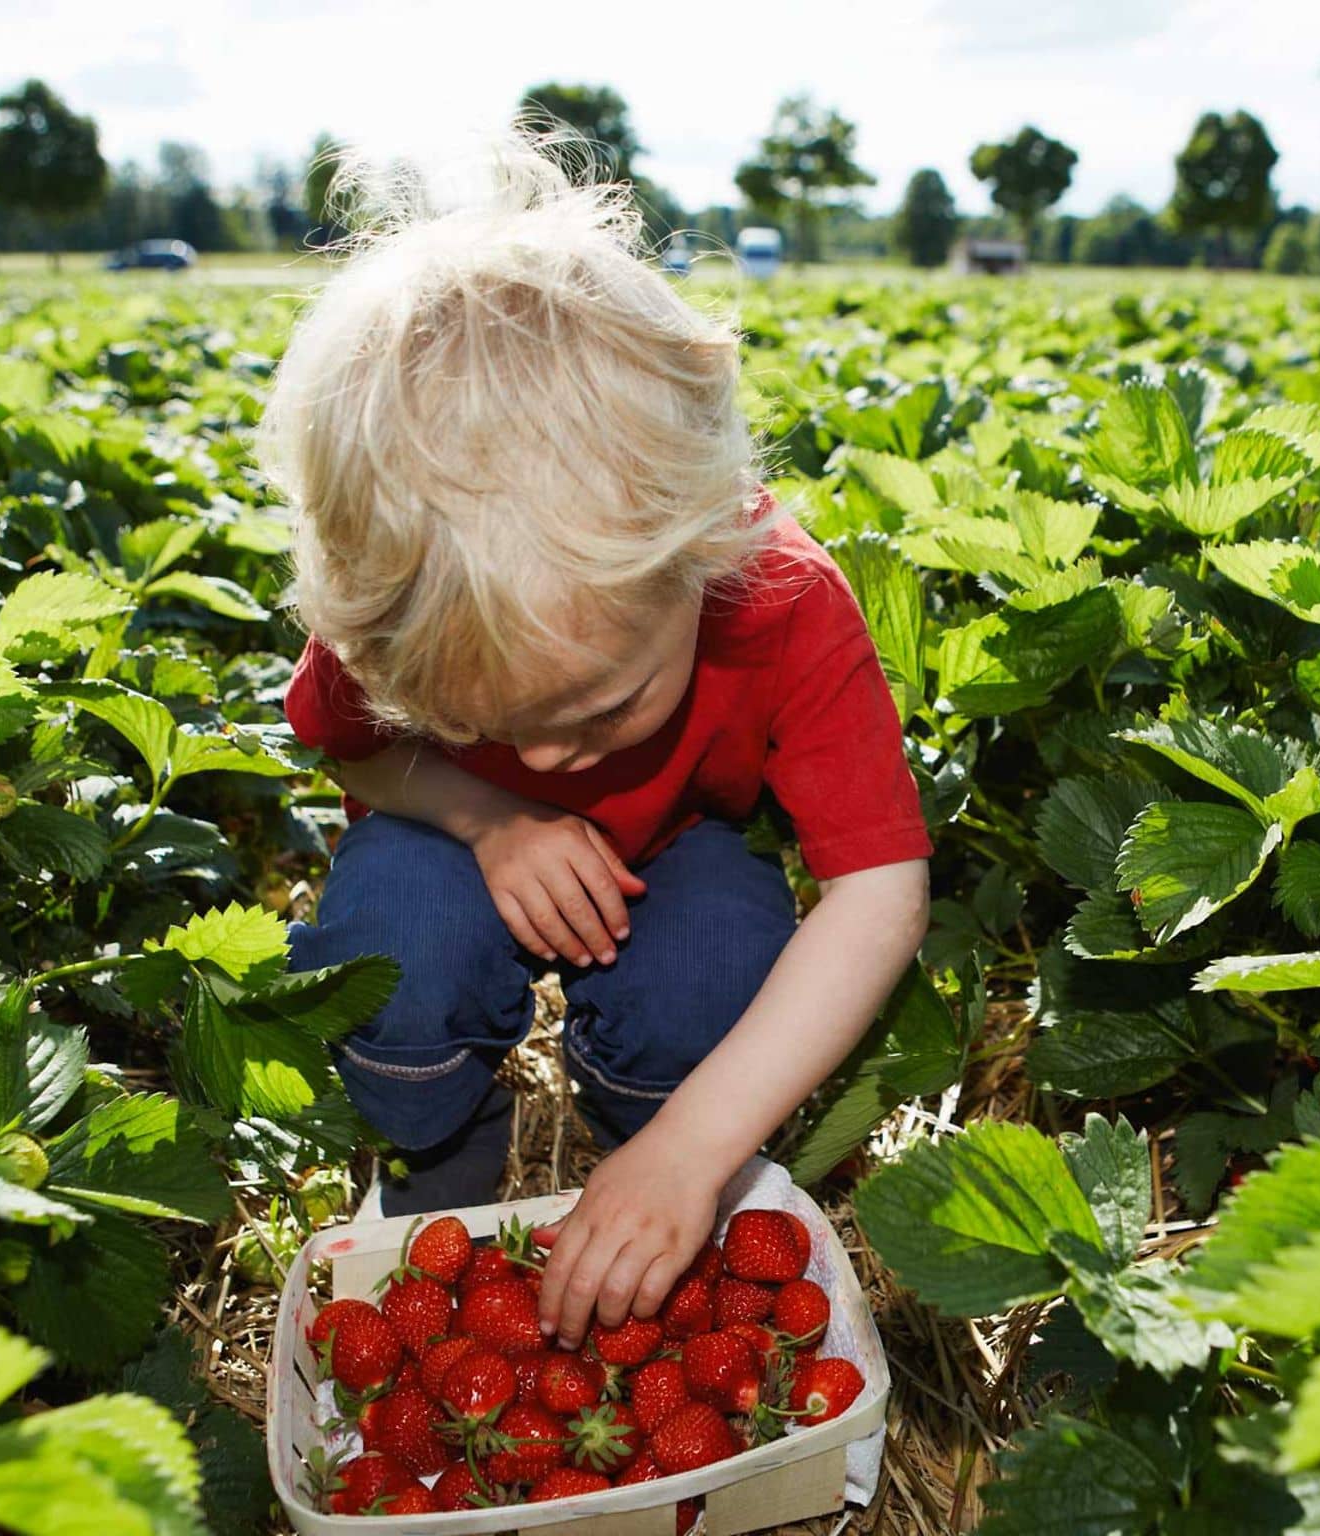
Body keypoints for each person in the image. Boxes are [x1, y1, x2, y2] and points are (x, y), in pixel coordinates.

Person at [255, 128, 931, 1350]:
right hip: (447, 847)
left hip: (674, 853)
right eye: (482, 725)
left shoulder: (778, 600)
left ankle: (643, 1147)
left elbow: (877, 890)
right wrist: (483, 809)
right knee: (388, 946)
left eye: (602, 711)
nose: (559, 762)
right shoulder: (399, 590)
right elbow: (345, 746)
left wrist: (693, 1146)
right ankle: (438, 1156)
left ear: (699, 556)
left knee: (723, 962)